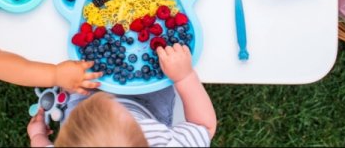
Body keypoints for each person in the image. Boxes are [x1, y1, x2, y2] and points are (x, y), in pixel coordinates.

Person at [27, 43, 217, 147]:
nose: (109, 95)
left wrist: (37, 136)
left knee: (70, 75)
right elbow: (204, 127)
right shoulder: (164, 143)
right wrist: (184, 76)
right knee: (159, 74)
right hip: (149, 105)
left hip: (82, 98)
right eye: (114, 108)